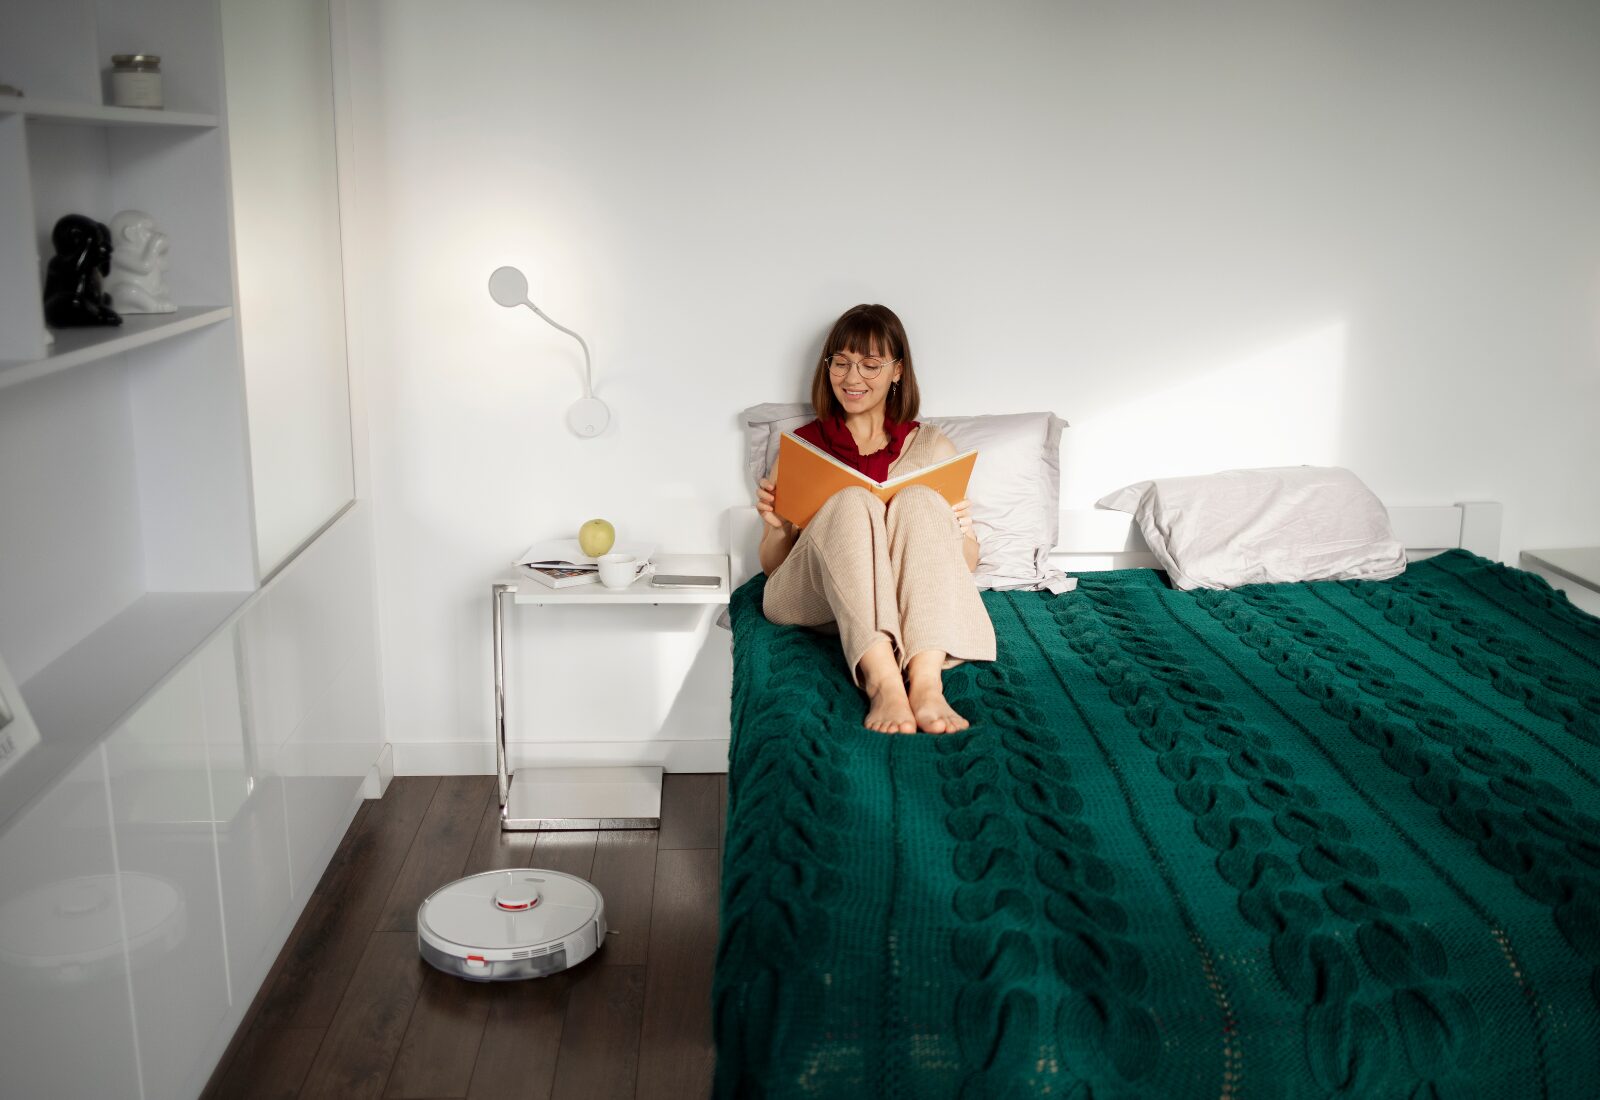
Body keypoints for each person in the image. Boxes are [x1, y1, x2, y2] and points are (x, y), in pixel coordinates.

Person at [755, 303, 996, 734]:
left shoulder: (931, 446)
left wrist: (957, 529)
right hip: (817, 600)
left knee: (920, 498)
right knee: (853, 501)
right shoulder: (802, 447)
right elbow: (774, 568)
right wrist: (777, 527)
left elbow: (964, 566)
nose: (852, 379)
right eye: (841, 363)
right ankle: (884, 682)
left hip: (909, 603)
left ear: (897, 371)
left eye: (869, 365)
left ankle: (925, 682)